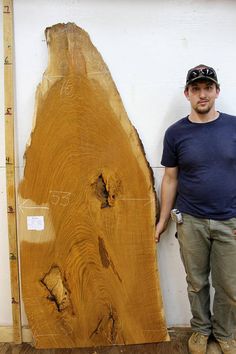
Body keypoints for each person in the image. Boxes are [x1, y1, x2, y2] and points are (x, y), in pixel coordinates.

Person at [155, 64, 236, 354]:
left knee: (229, 286)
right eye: (197, 89)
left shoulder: (234, 126)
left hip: (230, 221)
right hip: (190, 220)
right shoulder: (175, 133)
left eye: (208, 88)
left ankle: (226, 332)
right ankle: (201, 330)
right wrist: (163, 220)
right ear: (187, 93)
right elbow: (171, 178)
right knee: (197, 282)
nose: (203, 95)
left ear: (217, 91)